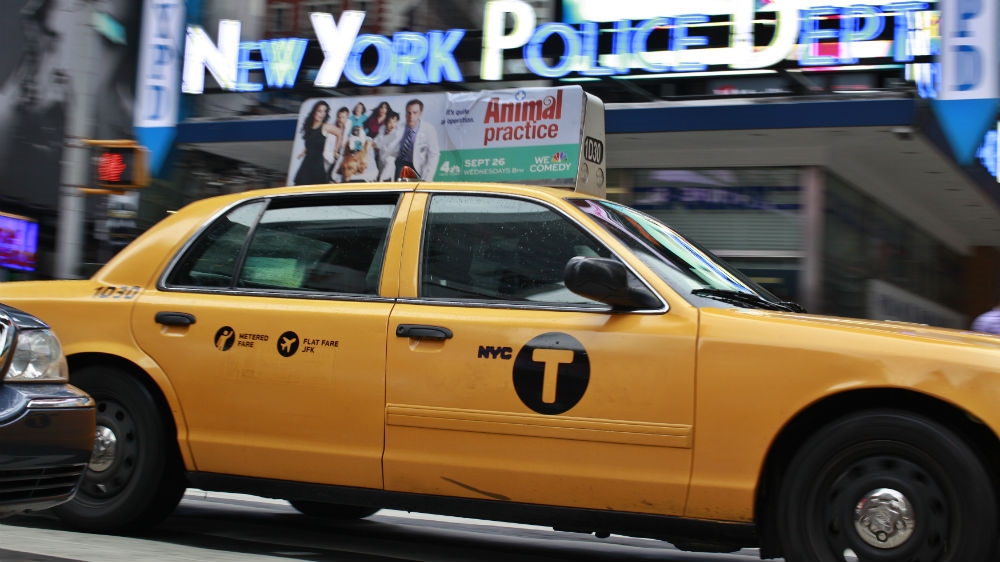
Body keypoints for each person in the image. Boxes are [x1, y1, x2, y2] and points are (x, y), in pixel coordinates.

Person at [293, 100, 340, 185]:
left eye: (324, 111)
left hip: (317, 165)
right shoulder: (309, 127)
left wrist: (336, 150)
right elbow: (310, 143)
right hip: (306, 164)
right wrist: (302, 152)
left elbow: (339, 133)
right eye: (319, 111)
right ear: (314, 111)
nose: (322, 114)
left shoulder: (325, 127)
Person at [394, 98, 439, 181]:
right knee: (400, 187)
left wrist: (428, 177)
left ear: (420, 113)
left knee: (419, 187)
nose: (411, 116)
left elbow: (433, 155)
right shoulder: (398, 128)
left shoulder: (429, 129)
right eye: (409, 113)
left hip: (419, 165)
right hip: (401, 164)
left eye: (415, 113)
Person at [373, 110, 401, 181]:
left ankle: (382, 182)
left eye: (395, 122)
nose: (392, 124)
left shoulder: (397, 133)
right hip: (381, 156)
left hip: (391, 156)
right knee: (381, 171)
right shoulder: (382, 130)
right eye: (390, 122)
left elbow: (391, 148)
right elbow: (377, 139)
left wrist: (378, 146)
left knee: (389, 165)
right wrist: (374, 143)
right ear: (386, 123)